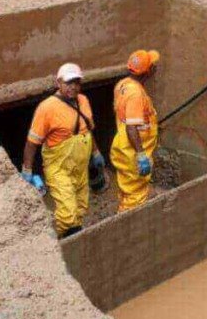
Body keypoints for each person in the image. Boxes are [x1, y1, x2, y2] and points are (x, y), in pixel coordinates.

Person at [21, 63, 99, 237]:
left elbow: (87, 130)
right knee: (68, 213)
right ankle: (68, 246)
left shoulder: (83, 100)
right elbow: (32, 142)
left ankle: (69, 238)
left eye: (77, 82)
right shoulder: (47, 107)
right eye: (69, 82)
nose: (73, 87)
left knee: (80, 209)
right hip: (59, 168)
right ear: (59, 83)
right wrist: (27, 169)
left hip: (79, 168)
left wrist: (96, 152)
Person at [110, 49, 161, 212]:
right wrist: (140, 155)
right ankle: (126, 224)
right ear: (148, 71)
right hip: (132, 151)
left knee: (127, 187)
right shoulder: (136, 94)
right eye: (153, 65)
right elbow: (132, 127)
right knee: (136, 194)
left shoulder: (123, 84)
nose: (155, 68)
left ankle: (124, 208)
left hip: (124, 144)